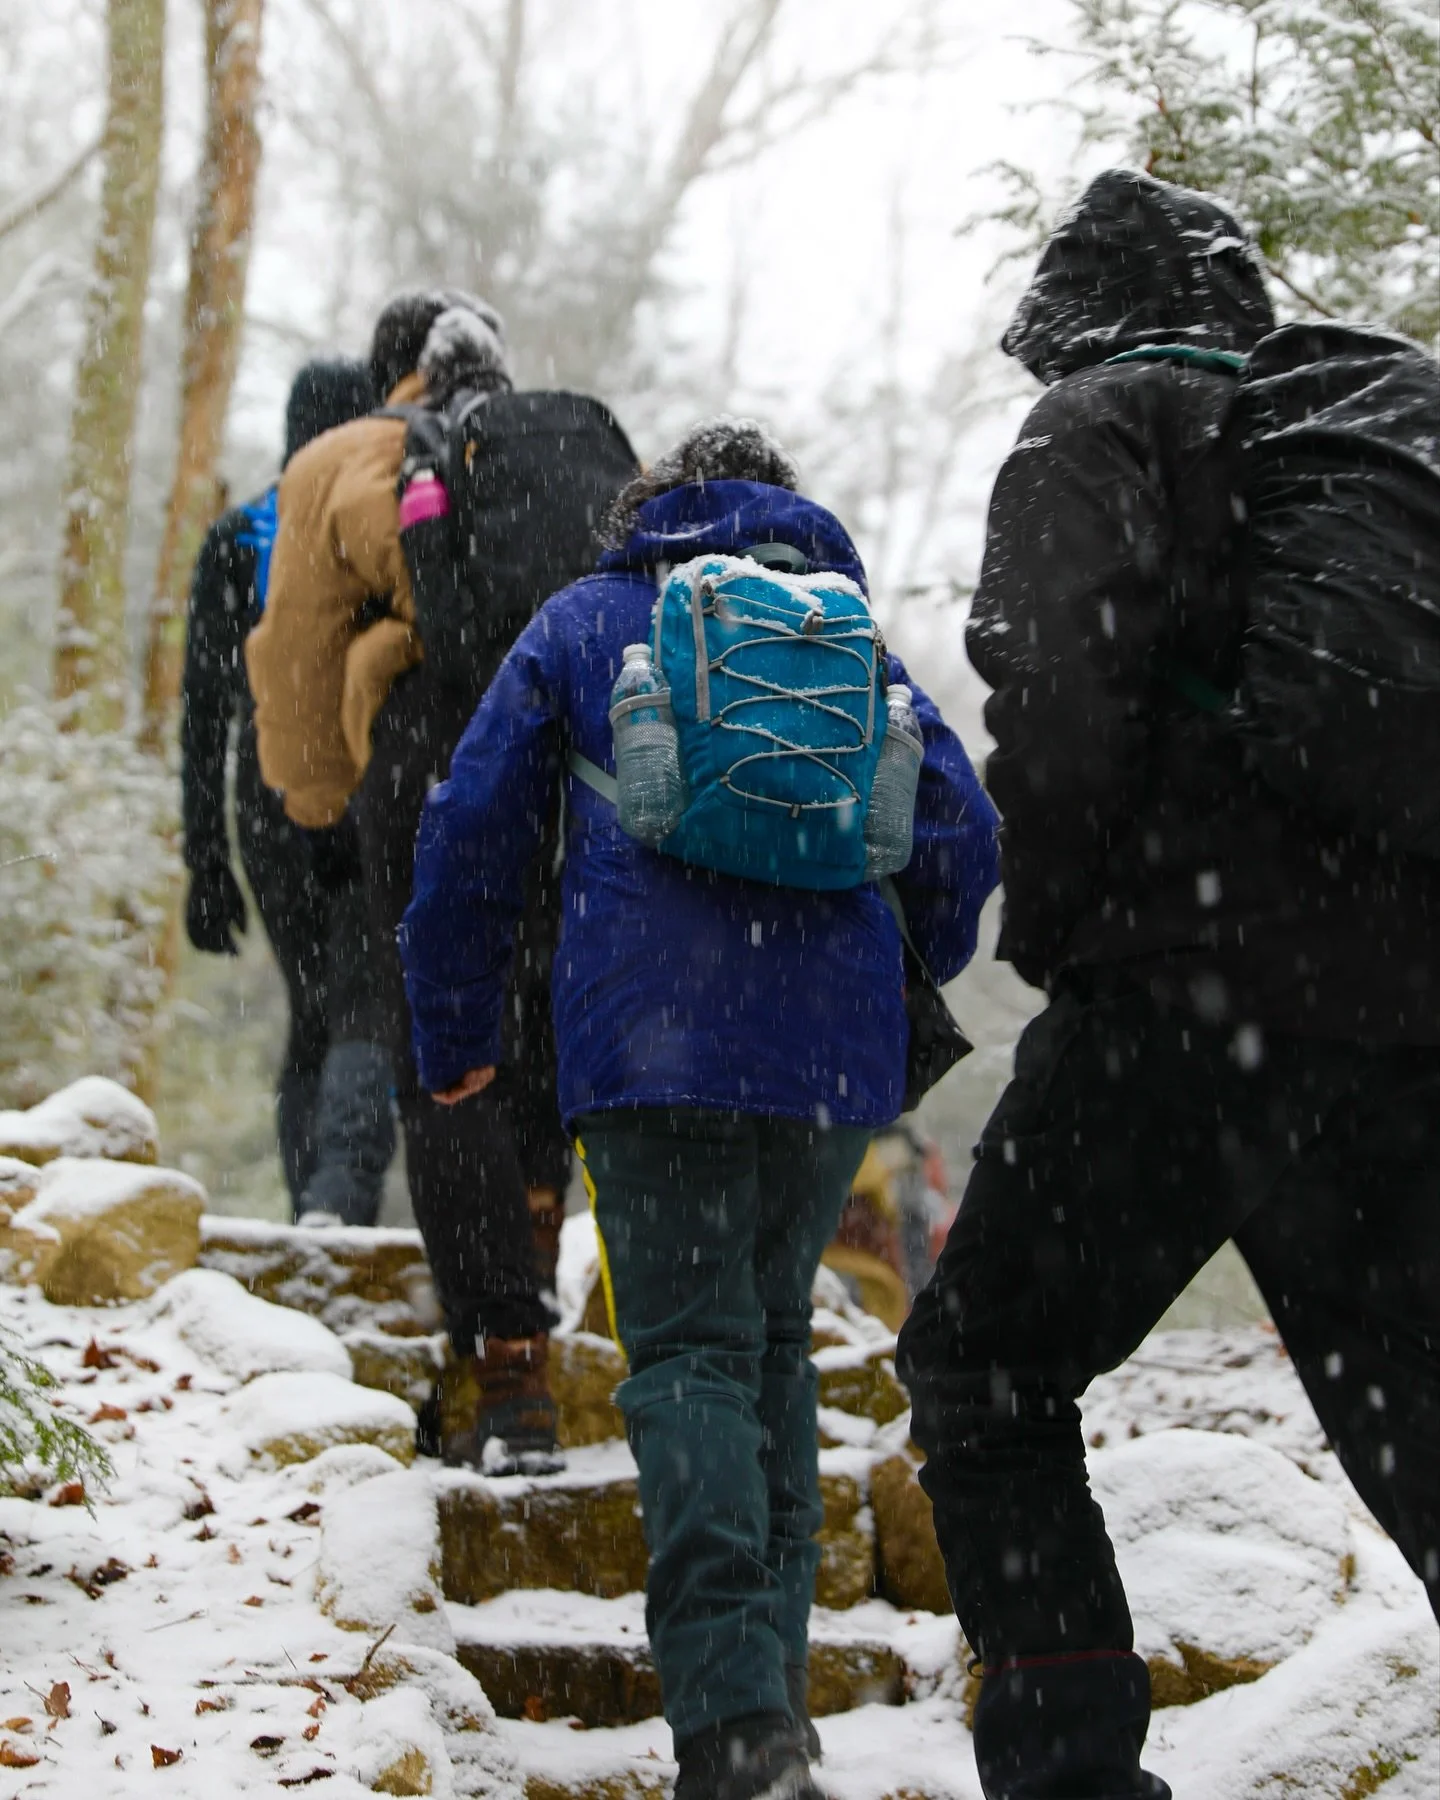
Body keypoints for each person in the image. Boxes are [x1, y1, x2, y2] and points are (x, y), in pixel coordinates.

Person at [896, 169, 1440, 1800]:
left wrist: (1064, 937)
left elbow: (1054, 693)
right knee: (1413, 1409)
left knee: (983, 1371)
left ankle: (1069, 1771)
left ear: (1072, 313)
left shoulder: (1100, 419)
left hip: (1188, 992)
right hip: (1406, 1008)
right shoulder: (1340, 444)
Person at [399, 419, 999, 1800]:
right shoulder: (847, 639)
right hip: (827, 1063)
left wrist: (456, 1032)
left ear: (647, 508)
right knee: (772, 1348)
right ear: (784, 510)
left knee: (687, 1362)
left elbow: (471, 824)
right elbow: (960, 841)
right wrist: (874, 967)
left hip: (649, 1043)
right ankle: (766, 1711)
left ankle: (736, 1730)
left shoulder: (593, 615)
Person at [245, 291, 572, 1470]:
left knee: (446, 1057)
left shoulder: (340, 458)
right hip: (557, 758)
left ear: (393, 372)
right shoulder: (545, 441)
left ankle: (505, 1359)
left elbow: (291, 662)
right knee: (537, 1038)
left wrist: (319, 798)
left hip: (428, 768)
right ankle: (532, 1288)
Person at [180, 356, 398, 1226]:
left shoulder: (237, 537)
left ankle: (311, 1204)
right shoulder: (373, 524)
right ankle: (337, 1203)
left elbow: (204, 712)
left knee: (317, 1009)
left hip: (265, 796)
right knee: (366, 1000)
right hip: (366, 779)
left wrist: (206, 859)